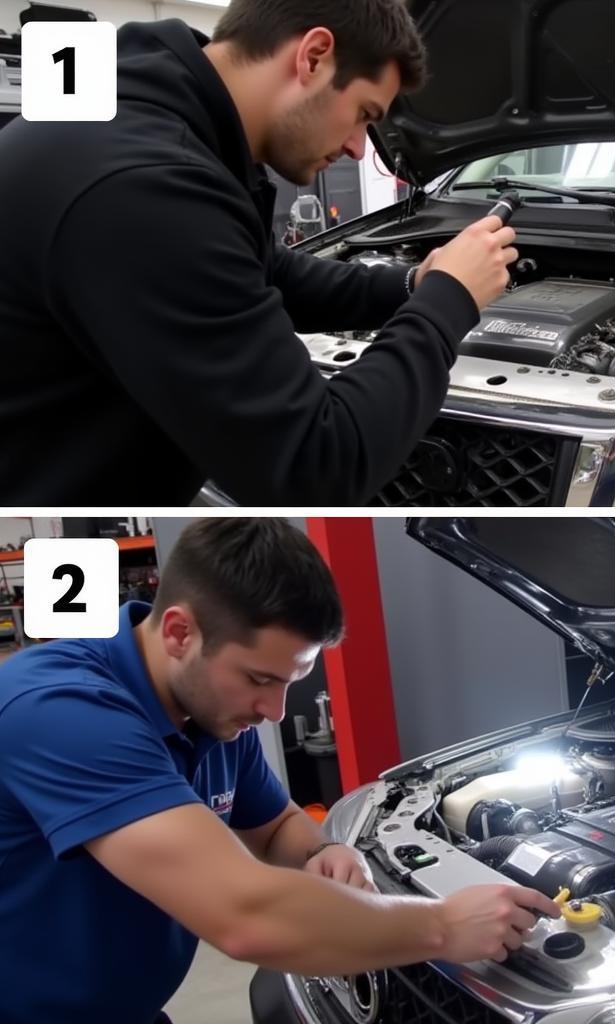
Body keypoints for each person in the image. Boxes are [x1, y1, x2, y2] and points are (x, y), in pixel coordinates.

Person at [0, 518, 560, 1022]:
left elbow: (272, 825)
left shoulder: (210, 709)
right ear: (178, 633)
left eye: (290, 681)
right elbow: (246, 917)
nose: (275, 711)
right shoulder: (61, 713)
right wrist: (441, 926)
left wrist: (320, 853)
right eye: (261, 679)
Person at [0, 0, 517, 504]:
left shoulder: (149, 119)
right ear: (313, 57)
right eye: (364, 114)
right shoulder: (146, 187)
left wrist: (413, 284)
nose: (361, 147)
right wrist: (448, 303)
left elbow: (263, 271)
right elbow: (316, 467)